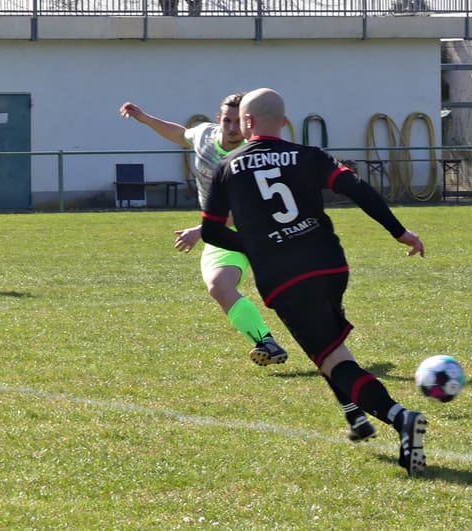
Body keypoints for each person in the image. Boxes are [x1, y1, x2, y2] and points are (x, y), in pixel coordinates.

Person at [120, 94, 377, 443]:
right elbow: (181, 134)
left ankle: (349, 395)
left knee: (313, 321)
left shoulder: (253, 156)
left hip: (266, 233)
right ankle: (266, 343)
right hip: (228, 237)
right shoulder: (207, 137)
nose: (230, 128)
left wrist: (201, 230)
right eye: (224, 121)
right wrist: (144, 117)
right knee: (218, 286)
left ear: (248, 122)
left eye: (236, 122)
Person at [201, 88, 428, 476]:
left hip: (286, 277)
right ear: (285, 122)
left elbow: (211, 231)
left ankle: (399, 417)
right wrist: (399, 231)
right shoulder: (309, 156)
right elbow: (357, 188)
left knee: (331, 359)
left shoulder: (228, 166)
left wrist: (255, 246)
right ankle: (354, 415)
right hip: (330, 264)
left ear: (247, 123)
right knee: (331, 347)